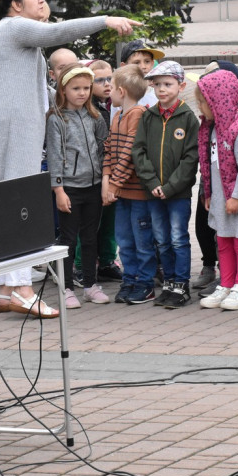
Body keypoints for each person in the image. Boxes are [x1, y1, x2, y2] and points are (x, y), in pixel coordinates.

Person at [0, 0, 137, 318]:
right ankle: (21, 289)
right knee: (19, 207)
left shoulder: (13, 33)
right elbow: (56, 34)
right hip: (12, 133)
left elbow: (34, 88)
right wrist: (105, 20)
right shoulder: (12, 27)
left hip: (15, 131)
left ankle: (8, 288)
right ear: (16, 4)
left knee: (12, 206)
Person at [194, 70, 238, 311]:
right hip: (220, 199)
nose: (200, 106)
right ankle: (226, 284)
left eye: (203, 101)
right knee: (223, 242)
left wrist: (236, 196)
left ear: (218, 99)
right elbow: (211, 165)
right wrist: (210, 193)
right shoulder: (212, 128)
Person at [132, 61, 199, 308]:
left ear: (181, 86)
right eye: (157, 84)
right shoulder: (149, 116)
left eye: (168, 84)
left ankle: (182, 285)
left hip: (177, 193)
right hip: (153, 192)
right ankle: (169, 282)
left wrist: (170, 187)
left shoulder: (188, 118)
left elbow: (190, 158)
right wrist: (152, 183)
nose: (162, 89)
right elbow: (138, 151)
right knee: (161, 239)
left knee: (178, 238)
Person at [46, 63, 110, 308]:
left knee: (91, 238)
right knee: (69, 240)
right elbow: (54, 155)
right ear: (63, 90)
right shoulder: (56, 119)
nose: (82, 93)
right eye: (76, 88)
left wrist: (104, 180)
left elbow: (104, 148)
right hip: (69, 188)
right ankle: (67, 288)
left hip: (93, 186)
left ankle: (90, 285)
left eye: (86, 88)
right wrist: (59, 189)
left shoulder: (95, 115)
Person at [103, 65, 154, 304]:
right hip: (121, 193)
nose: (108, 91)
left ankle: (145, 283)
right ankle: (130, 279)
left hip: (137, 194)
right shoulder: (117, 115)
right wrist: (107, 179)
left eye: (111, 87)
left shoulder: (138, 114)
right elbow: (109, 149)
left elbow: (129, 153)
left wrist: (113, 183)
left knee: (142, 241)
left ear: (121, 91)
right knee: (124, 240)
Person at [82, 59, 124, 283]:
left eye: (110, 79)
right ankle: (80, 265)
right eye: (100, 80)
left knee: (110, 221)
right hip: (93, 173)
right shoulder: (87, 109)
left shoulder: (114, 105)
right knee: (89, 223)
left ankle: (107, 260)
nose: (107, 84)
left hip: (112, 173)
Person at [118, 40, 164, 107]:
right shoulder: (119, 96)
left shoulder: (160, 95)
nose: (143, 67)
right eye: (136, 62)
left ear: (152, 64)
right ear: (124, 66)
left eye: (147, 61)